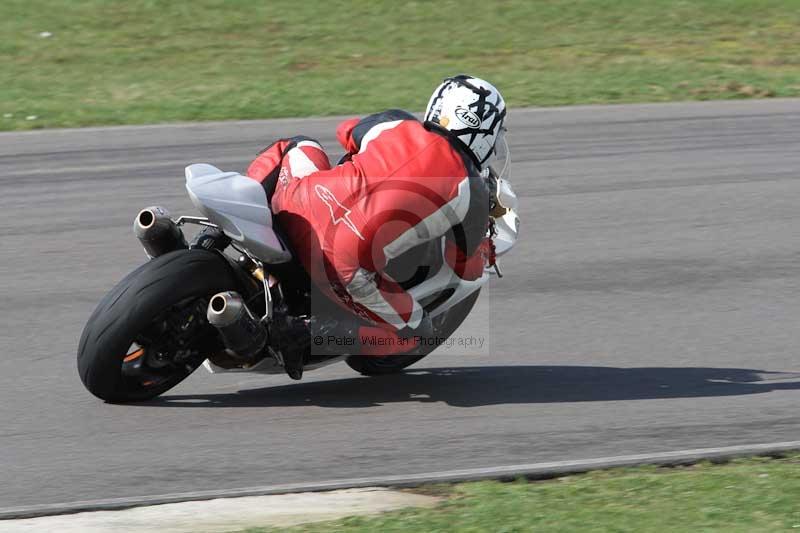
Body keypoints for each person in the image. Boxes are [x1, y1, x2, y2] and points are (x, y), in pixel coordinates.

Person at [244, 75, 507, 379]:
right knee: (413, 333)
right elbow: (465, 264)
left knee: (297, 146)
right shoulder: (473, 192)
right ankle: (305, 333)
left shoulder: (394, 122)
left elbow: (348, 133)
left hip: (296, 205)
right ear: (485, 130)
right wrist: (487, 245)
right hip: (342, 264)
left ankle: (234, 216)